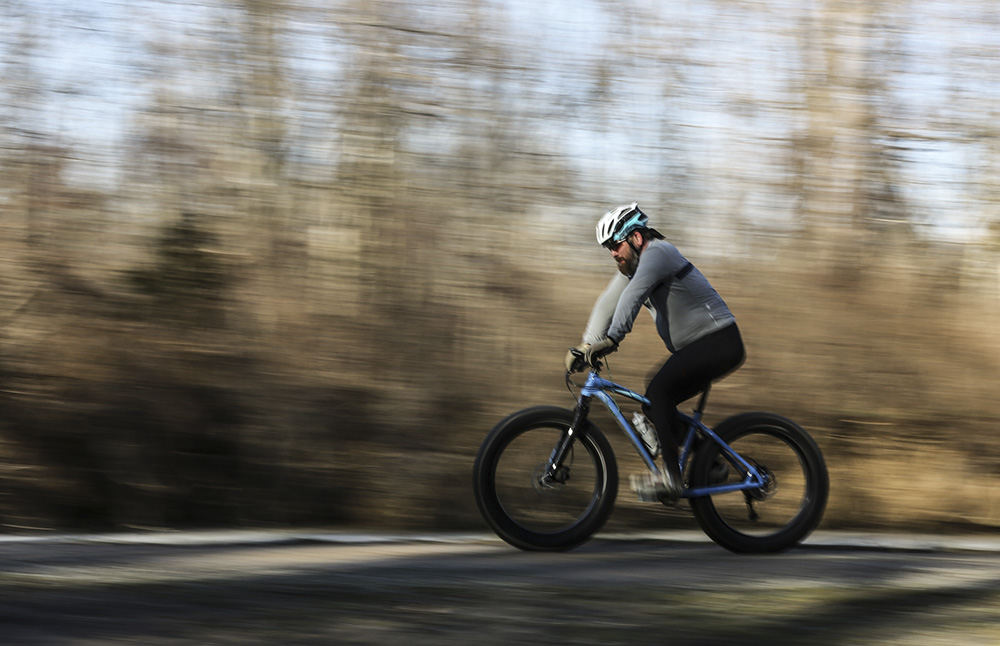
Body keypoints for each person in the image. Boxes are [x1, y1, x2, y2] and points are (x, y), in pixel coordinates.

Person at [565, 202, 745, 501]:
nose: (612, 253)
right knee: (654, 404)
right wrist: (587, 344)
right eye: (607, 248)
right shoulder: (632, 267)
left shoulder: (659, 253)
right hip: (699, 347)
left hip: (719, 341)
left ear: (636, 238)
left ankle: (671, 478)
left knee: (659, 392)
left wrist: (611, 340)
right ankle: (708, 463)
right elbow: (607, 303)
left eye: (615, 244)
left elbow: (633, 298)